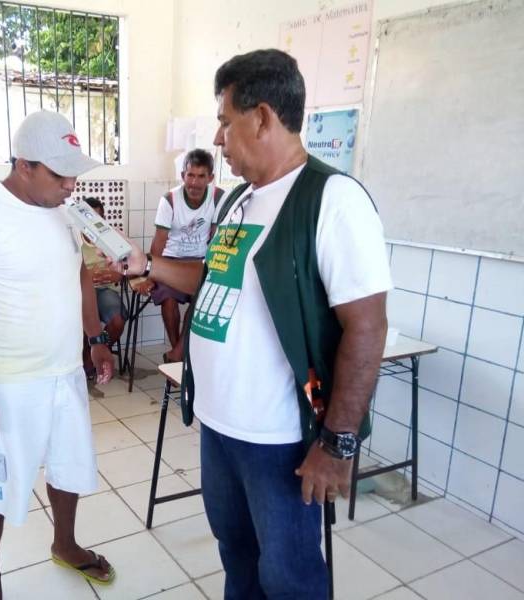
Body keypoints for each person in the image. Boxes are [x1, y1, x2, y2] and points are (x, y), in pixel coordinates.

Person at [110, 49, 392, 599]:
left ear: (261, 117)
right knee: (236, 556)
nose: (218, 139)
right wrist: (149, 265)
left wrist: (337, 445)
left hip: (280, 439)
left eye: (224, 121)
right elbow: (215, 276)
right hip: (219, 425)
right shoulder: (239, 200)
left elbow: (367, 330)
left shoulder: (332, 200)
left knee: (288, 576)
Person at [0, 110, 116, 600]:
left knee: (68, 466)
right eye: (60, 174)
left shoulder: (66, 210)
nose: (71, 184)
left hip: (65, 373)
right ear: (24, 166)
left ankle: (65, 542)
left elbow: (79, 271)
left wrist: (95, 336)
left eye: (74, 173)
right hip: (9, 384)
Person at [140, 148, 224, 362]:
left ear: (211, 177)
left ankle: (179, 351)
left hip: (200, 261)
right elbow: (159, 240)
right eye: (190, 175)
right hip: (171, 260)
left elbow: (216, 237)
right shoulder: (169, 200)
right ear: (183, 176)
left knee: (202, 297)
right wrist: (150, 274)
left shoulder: (219, 197)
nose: (194, 183)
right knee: (168, 298)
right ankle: (178, 350)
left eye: (201, 176)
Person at [79, 197, 128, 378]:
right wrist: (87, 277)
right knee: (76, 321)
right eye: (89, 218)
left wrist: (114, 274)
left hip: (105, 290)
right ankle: (86, 356)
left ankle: (98, 355)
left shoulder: (111, 240)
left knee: (117, 321)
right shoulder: (73, 240)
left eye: (97, 219)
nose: (93, 224)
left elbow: (125, 268)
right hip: (81, 292)